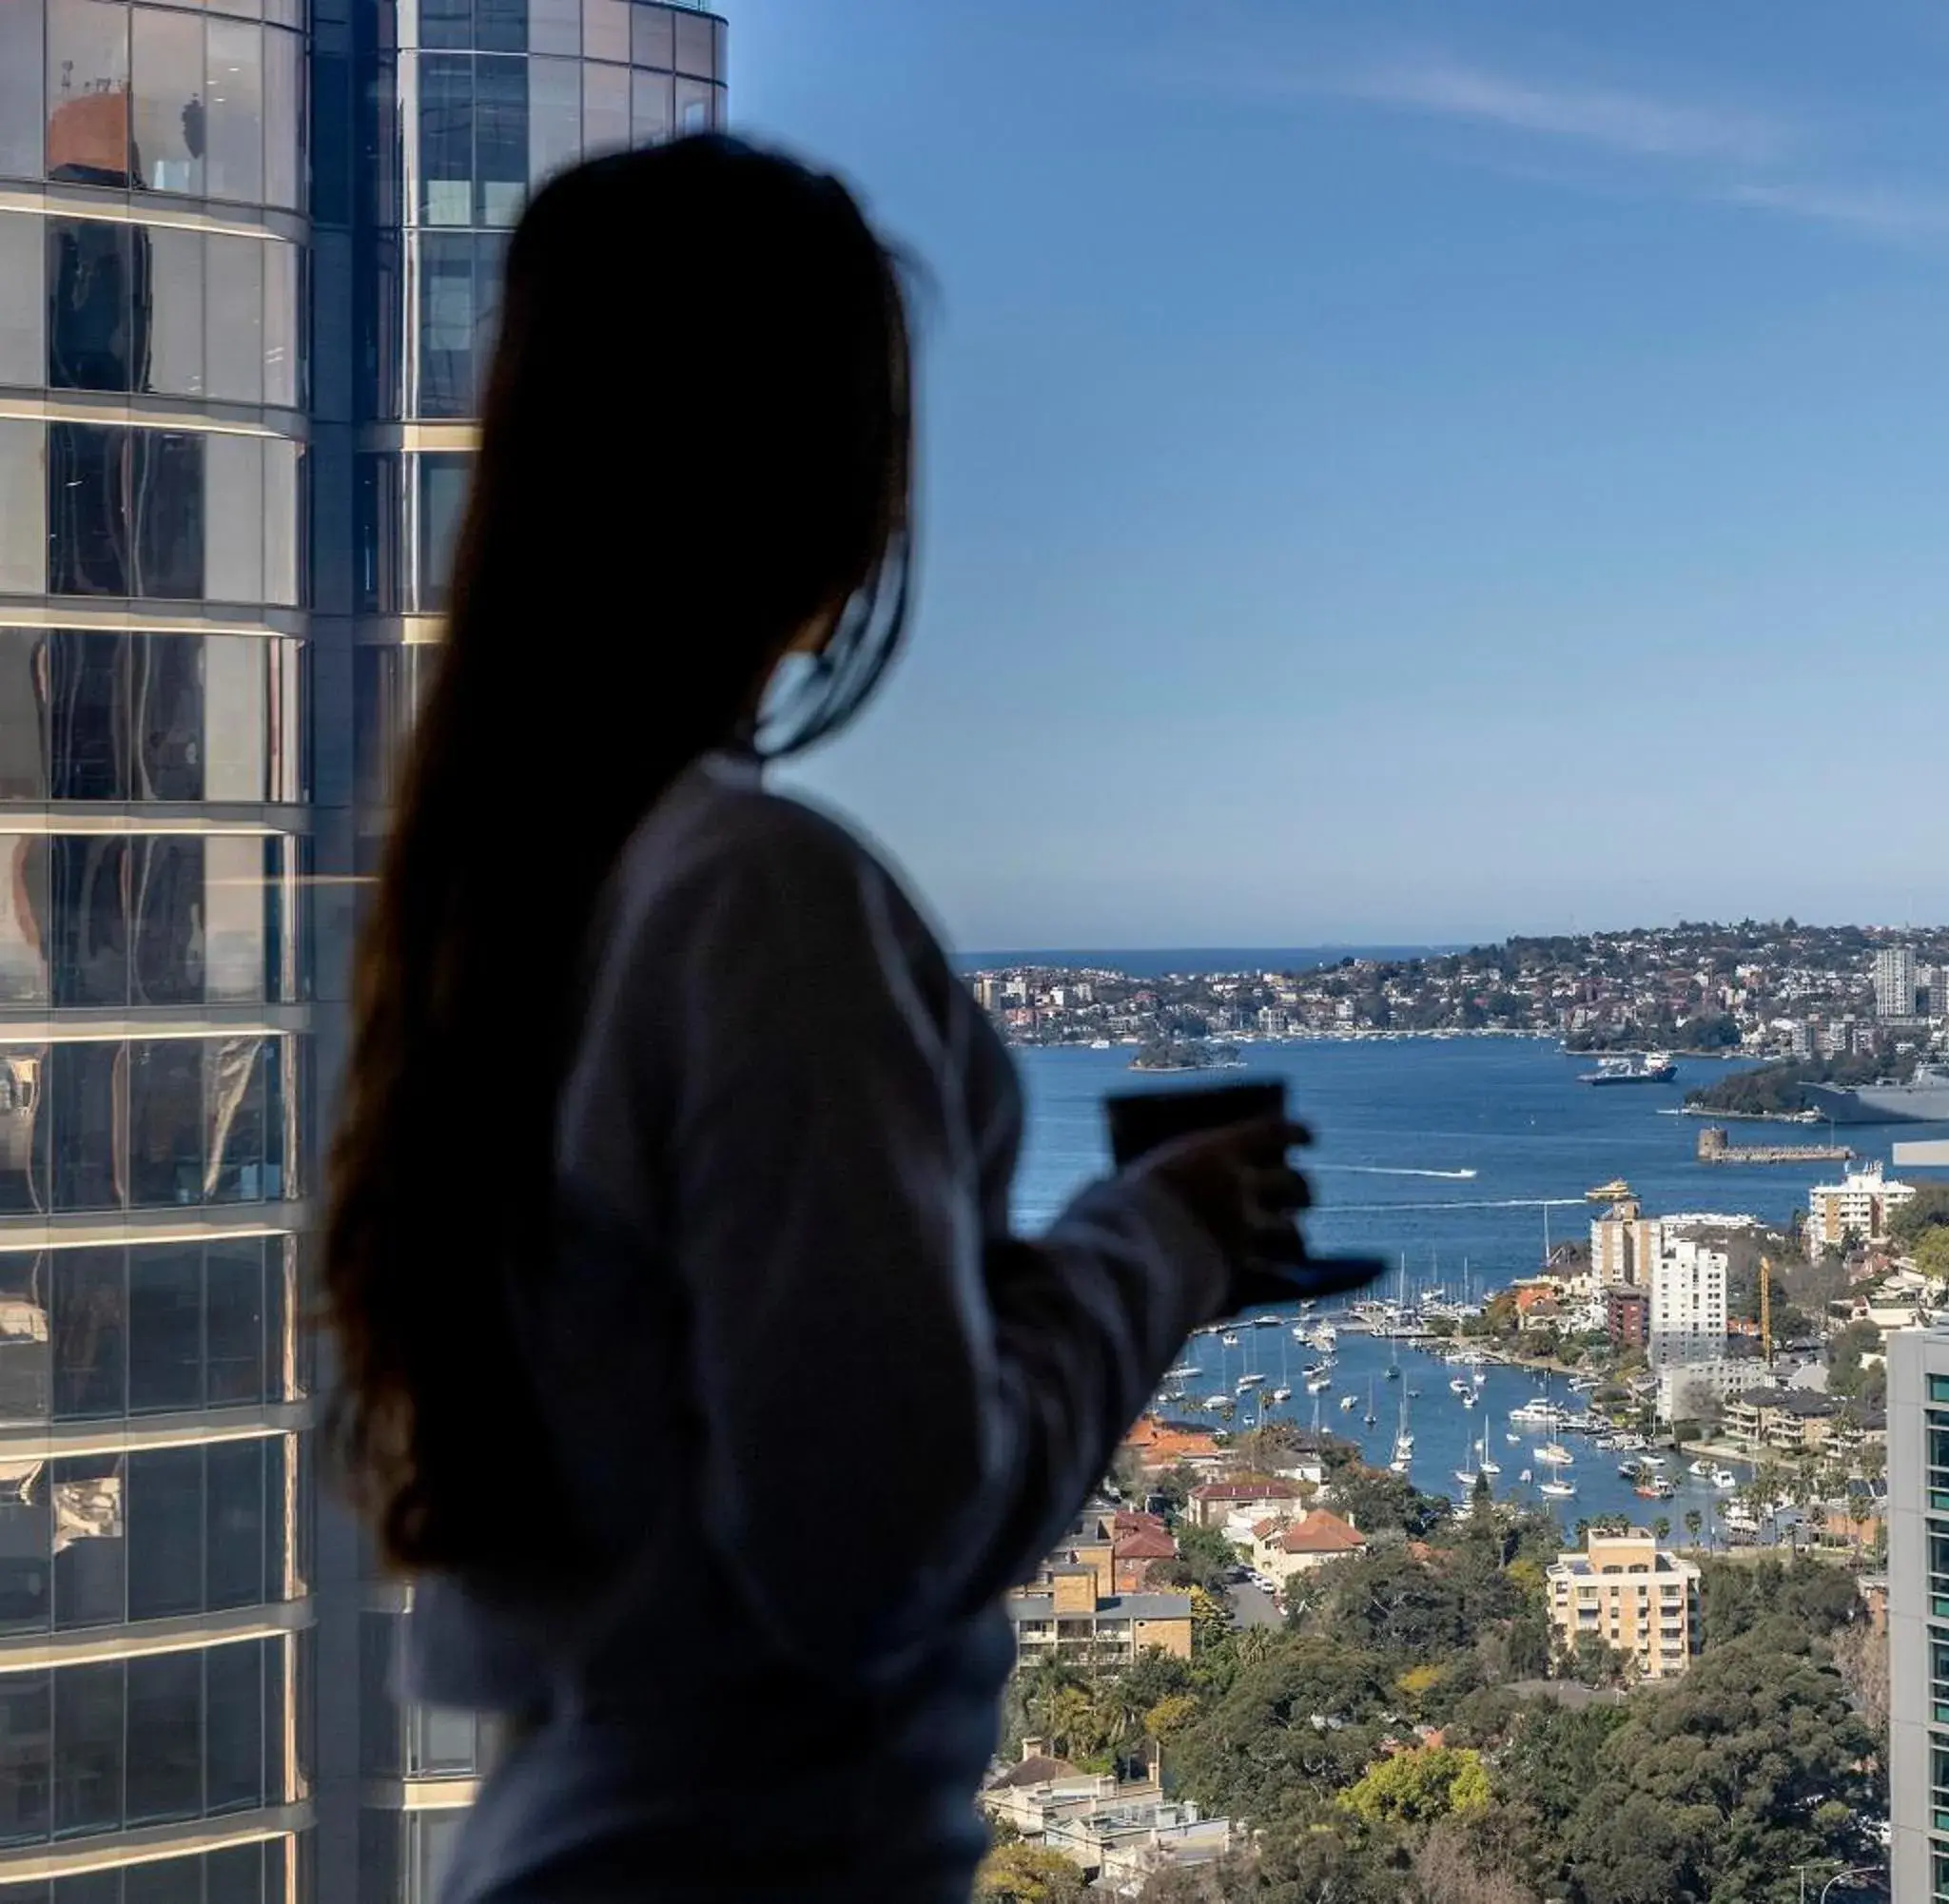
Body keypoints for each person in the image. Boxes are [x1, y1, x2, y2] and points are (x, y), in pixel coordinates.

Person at [320, 135, 1311, 1902]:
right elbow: (873, 1540)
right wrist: (1157, 1241)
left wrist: (968, 1290)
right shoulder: (753, 901)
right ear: (838, 499)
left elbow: (719, 1419)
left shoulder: (516, 898)